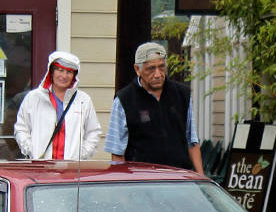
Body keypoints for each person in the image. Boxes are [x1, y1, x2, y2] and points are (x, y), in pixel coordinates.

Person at [104, 41, 204, 173]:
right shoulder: (124, 99)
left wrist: (201, 178)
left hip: (179, 179)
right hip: (142, 181)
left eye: (161, 67)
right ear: (137, 70)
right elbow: (117, 151)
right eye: (151, 68)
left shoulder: (182, 94)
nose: (157, 74)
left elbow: (192, 141)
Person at [14, 50, 103, 161]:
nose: (64, 76)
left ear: (74, 75)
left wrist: (81, 155)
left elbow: (93, 131)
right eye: (60, 70)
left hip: (71, 170)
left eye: (69, 72)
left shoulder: (83, 100)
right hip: (40, 167)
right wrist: (31, 150)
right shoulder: (33, 98)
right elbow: (21, 128)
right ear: (51, 72)